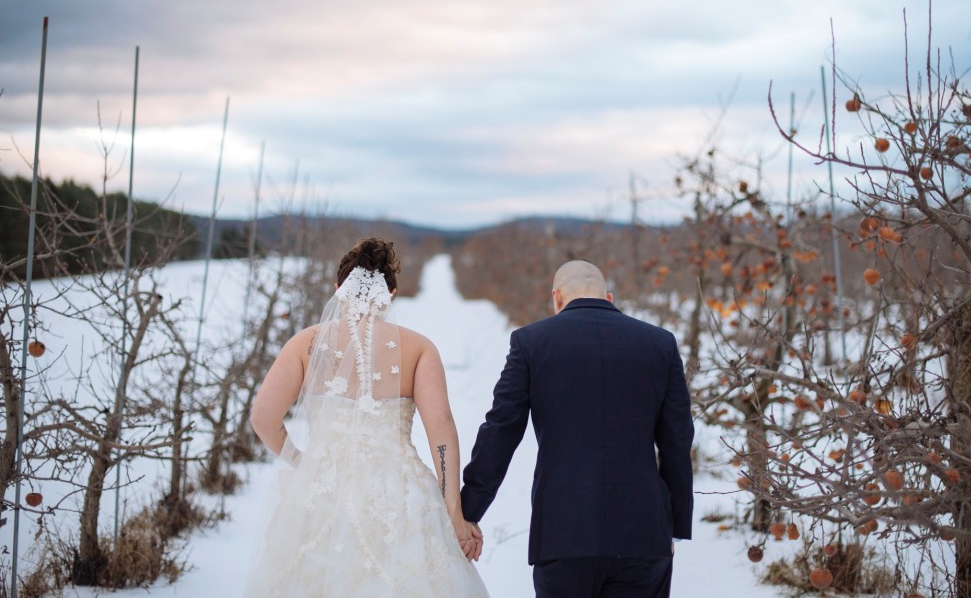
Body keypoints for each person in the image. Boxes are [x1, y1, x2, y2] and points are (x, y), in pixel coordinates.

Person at [244, 237, 488, 597]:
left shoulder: (305, 344)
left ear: (338, 288)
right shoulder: (420, 348)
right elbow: (441, 428)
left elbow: (263, 418)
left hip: (322, 490)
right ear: (391, 292)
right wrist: (454, 511)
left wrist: (302, 462)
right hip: (401, 496)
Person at [461, 259, 693, 598]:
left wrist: (468, 511)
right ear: (609, 298)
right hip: (644, 534)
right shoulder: (660, 343)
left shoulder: (530, 342)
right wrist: (672, 528)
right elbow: (677, 441)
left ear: (556, 298)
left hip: (562, 533)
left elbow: (501, 429)